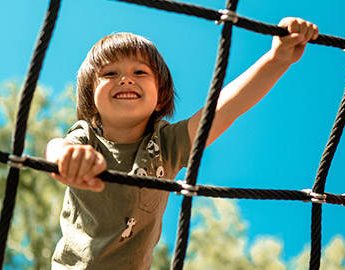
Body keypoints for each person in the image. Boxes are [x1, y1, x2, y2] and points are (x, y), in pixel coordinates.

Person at [45, 17, 319, 269]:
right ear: (90, 96)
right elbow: (58, 147)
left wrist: (276, 59)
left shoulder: (165, 145)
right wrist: (66, 159)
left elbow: (225, 108)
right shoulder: (87, 137)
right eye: (109, 74)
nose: (126, 78)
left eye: (140, 72)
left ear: (160, 95)